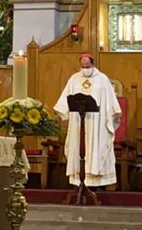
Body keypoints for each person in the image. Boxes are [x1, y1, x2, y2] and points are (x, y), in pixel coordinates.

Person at [53, 54, 121, 188]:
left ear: (92, 64)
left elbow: (111, 104)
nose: (85, 69)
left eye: (87, 66)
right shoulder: (74, 79)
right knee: (77, 146)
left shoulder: (102, 79)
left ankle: (96, 182)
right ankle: (79, 181)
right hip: (78, 122)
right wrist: (65, 116)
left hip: (97, 123)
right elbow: (65, 101)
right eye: (83, 67)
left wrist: (112, 116)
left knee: (96, 147)